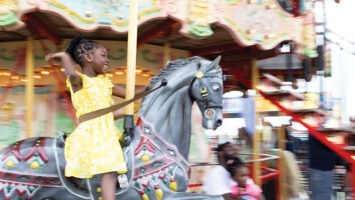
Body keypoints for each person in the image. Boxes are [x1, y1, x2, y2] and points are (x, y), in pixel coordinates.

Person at [46, 35, 145, 200]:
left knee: (129, 156)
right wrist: (64, 57)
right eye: (103, 55)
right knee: (111, 169)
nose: (107, 60)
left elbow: (130, 94)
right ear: (89, 57)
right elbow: (72, 73)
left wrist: (155, 83)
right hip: (92, 135)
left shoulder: (105, 82)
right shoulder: (79, 81)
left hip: (107, 132)